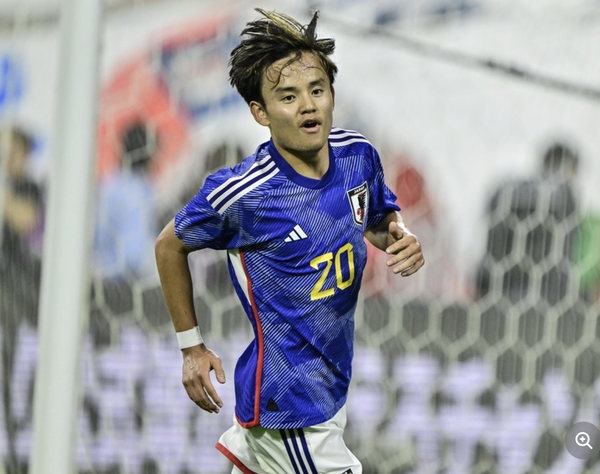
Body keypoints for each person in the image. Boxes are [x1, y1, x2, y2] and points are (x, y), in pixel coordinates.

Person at [155, 9, 425, 473]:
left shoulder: (358, 157)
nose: (307, 106)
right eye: (288, 96)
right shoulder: (244, 195)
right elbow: (168, 246)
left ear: (332, 94)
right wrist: (191, 347)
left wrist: (399, 236)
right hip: (292, 408)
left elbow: (375, 217)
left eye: (317, 90)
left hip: (327, 389)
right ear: (260, 112)